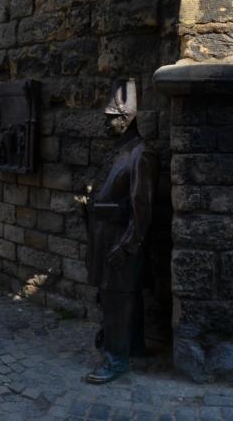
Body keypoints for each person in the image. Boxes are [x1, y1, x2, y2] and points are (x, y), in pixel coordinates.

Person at [83, 79, 155, 384]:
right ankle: (133, 345)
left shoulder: (140, 155)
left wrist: (126, 247)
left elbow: (142, 209)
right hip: (106, 238)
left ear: (125, 120)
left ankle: (115, 360)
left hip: (120, 242)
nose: (105, 124)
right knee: (118, 297)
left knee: (117, 300)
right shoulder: (120, 152)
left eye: (110, 119)